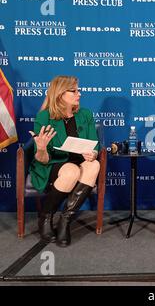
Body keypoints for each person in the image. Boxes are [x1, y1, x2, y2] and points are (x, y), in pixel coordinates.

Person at [29, 75, 100, 247]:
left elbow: (94, 144)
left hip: (79, 162)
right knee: (71, 171)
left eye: (78, 90)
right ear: (60, 94)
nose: (79, 94)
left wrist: (93, 154)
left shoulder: (85, 114)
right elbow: (43, 160)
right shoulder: (44, 117)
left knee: (94, 165)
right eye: (74, 91)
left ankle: (65, 220)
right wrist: (41, 147)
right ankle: (46, 217)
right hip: (53, 165)